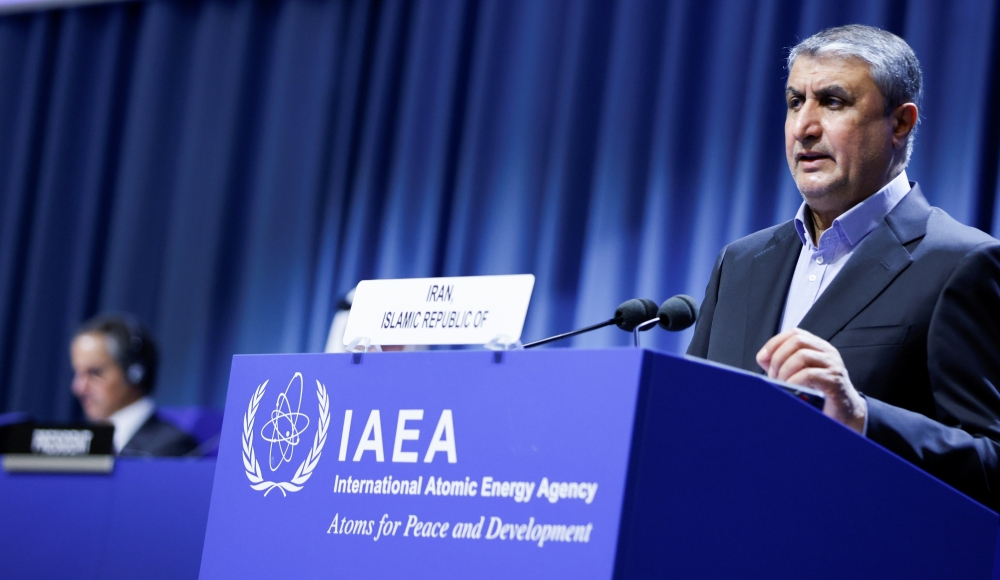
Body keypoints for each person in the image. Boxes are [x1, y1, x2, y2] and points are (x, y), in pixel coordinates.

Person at [688, 25, 1000, 510]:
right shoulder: (741, 262)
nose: (804, 127)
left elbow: (992, 461)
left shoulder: (962, 262)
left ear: (900, 123)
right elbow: (692, 423)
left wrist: (862, 417)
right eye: (795, 102)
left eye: (833, 102)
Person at [70, 313, 198, 457]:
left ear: (135, 373)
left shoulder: (173, 447)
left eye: (95, 373)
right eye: (78, 373)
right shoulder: (78, 444)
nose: (79, 388)